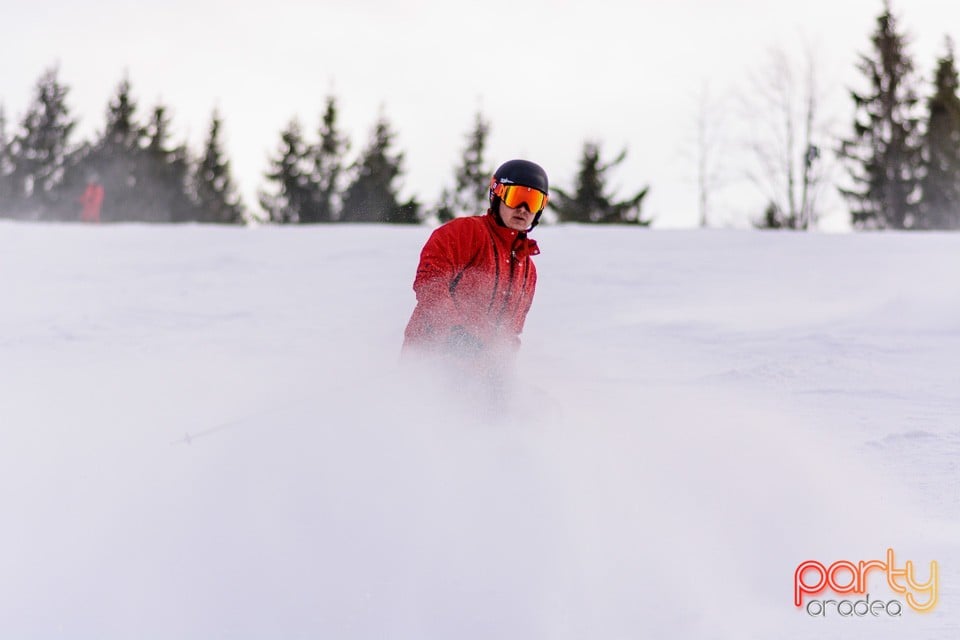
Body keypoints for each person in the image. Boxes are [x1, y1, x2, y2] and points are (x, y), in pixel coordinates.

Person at [402, 159, 548, 371]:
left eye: (533, 201)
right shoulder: (466, 233)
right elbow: (430, 281)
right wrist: (454, 333)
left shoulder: (527, 270)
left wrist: (503, 371)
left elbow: (510, 332)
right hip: (430, 362)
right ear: (497, 195)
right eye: (516, 197)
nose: (523, 209)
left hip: (479, 377)